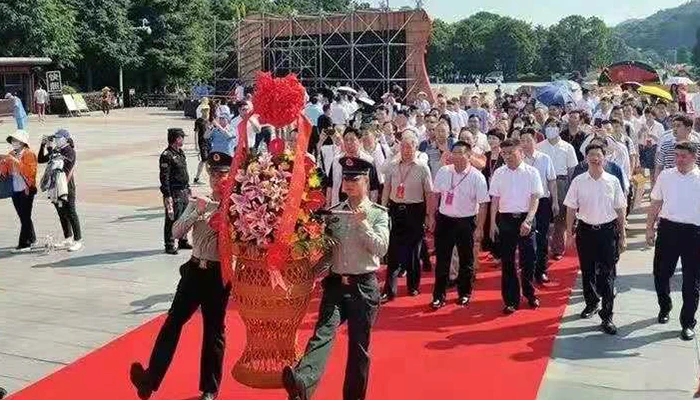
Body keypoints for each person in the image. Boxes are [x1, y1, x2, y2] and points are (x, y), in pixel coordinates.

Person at [283, 157, 389, 400]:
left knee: (359, 347)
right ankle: (302, 383)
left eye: (355, 179)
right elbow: (329, 252)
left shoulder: (377, 214)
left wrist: (363, 225)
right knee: (323, 332)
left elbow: (381, 249)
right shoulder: (334, 213)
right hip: (335, 284)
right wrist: (308, 271)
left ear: (366, 181)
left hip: (363, 286)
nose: (349, 183)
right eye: (346, 179)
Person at [130, 152, 233, 400]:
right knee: (172, 323)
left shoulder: (238, 206)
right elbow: (176, 232)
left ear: (231, 176)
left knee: (214, 331)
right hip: (195, 271)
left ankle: (210, 389)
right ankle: (149, 380)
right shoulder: (200, 201)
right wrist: (195, 212)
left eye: (223, 173)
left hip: (219, 275)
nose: (218, 178)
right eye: (214, 173)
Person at [565, 143, 626, 335]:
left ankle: (607, 316)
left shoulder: (613, 181)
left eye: (598, 155)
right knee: (588, 271)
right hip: (586, 232)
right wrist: (569, 232)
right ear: (586, 158)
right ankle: (591, 303)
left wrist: (622, 234)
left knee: (607, 275)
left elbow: (620, 208)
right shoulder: (578, 181)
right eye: (591, 155)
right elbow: (571, 208)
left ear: (604, 158)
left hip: (607, 232)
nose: (595, 158)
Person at [647, 141, 700, 341]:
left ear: (694, 157)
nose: (679, 159)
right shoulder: (666, 176)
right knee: (661, 274)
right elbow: (656, 203)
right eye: (677, 155)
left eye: (683, 156)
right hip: (668, 230)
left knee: (691, 281)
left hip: (694, 233)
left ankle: (687, 322)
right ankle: (665, 305)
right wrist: (649, 228)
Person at [430, 141, 489, 309]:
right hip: (445, 220)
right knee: (442, 259)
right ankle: (438, 296)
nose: (455, 156)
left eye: (460, 153)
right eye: (453, 152)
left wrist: (479, 227)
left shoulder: (477, 176)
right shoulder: (443, 172)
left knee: (466, 260)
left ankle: (464, 293)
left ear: (468, 156)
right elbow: (435, 195)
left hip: (466, 221)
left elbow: (483, 203)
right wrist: (432, 217)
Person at [489, 138, 543, 314]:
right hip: (505, 220)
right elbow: (495, 199)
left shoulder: (532, 172)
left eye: (511, 153)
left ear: (520, 152)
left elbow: (535, 198)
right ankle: (511, 299)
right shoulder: (499, 173)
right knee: (508, 261)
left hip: (526, 218)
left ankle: (529, 293)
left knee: (529, 259)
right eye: (504, 153)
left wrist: (528, 220)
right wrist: (492, 223)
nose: (507, 156)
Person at [381, 132, 433, 302]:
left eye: (409, 146)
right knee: (393, 250)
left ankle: (413, 286)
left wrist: (429, 215)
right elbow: (387, 188)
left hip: (415, 210)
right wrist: (383, 208)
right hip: (396, 209)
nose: (406, 150)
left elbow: (429, 192)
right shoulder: (393, 166)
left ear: (415, 147)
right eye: (403, 146)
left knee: (413, 251)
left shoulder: (422, 167)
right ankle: (389, 288)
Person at [537, 118, 578, 260]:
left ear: (559, 129)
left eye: (554, 126)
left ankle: (557, 248)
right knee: (543, 216)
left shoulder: (567, 147)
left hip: (561, 182)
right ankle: (542, 246)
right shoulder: (539, 146)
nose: (551, 128)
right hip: (543, 183)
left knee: (560, 217)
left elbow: (572, 170)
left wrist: (571, 188)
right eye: (548, 126)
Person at [520, 130, 557, 284]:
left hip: (542, 202)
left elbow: (552, 181)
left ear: (535, 141)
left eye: (528, 140)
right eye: (522, 140)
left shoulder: (544, 158)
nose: (525, 143)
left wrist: (555, 201)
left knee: (542, 237)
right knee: (525, 238)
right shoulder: (519, 160)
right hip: (523, 204)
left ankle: (541, 270)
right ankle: (526, 269)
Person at [38, 129, 83, 252]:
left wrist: (51, 149)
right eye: (55, 138)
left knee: (71, 213)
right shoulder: (57, 150)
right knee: (61, 213)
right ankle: (68, 237)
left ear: (65, 139)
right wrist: (43, 145)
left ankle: (78, 240)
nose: (56, 140)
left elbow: (60, 164)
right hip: (55, 187)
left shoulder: (70, 151)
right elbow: (41, 159)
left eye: (58, 138)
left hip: (67, 187)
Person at [0, 130, 37, 252]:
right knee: (23, 216)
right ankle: (32, 238)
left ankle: (24, 244)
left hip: (26, 189)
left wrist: (15, 161)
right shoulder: (11, 153)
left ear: (22, 142)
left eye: (16, 140)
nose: (14, 143)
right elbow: (5, 172)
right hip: (14, 189)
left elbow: (30, 172)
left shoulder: (29, 154)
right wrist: (3, 164)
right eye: (12, 141)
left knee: (25, 216)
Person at [327, 128, 380, 206]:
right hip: (339, 205)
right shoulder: (336, 160)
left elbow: (374, 188)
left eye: (352, 140)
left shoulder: (369, 160)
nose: (348, 143)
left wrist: (372, 207)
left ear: (360, 140)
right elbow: (330, 185)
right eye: (346, 140)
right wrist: (328, 204)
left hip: (361, 207)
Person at [160, 128, 192, 255]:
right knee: (172, 218)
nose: (183, 139)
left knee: (185, 216)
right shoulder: (166, 156)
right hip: (174, 192)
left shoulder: (180, 153)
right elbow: (164, 176)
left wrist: (188, 187)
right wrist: (167, 195)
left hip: (184, 189)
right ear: (176, 139)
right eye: (181, 137)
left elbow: (183, 172)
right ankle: (169, 243)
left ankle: (183, 240)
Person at [655, 114, 700, 179]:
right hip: (670, 183)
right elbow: (659, 167)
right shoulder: (666, 145)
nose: (675, 129)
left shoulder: (697, 147)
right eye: (673, 126)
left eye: (678, 126)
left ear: (688, 129)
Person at [193, 100, 211, 184]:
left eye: (207, 109)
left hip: (210, 143)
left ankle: (197, 178)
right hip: (202, 143)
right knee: (205, 160)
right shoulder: (198, 121)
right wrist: (196, 144)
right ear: (201, 111)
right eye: (204, 110)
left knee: (206, 160)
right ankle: (211, 178)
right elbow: (196, 133)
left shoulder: (210, 120)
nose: (206, 111)